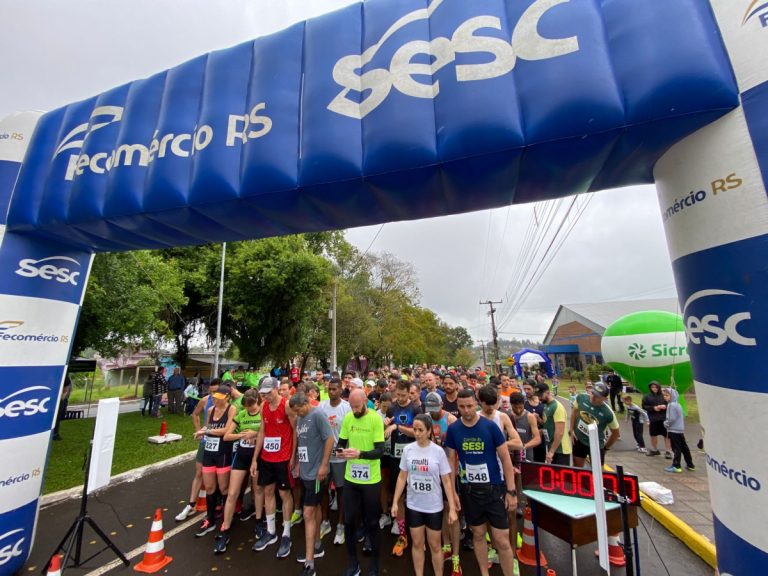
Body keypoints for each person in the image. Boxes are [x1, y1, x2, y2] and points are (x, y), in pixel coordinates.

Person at [445, 389, 518, 576]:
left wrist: (511, 491)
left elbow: (505, 459)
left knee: (501, 540)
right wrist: (452, 493)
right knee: (478, 535)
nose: (466, 410)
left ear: (476, 404)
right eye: (462, 407)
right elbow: (450, 463)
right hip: (470, 491)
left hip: (494, 489)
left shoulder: (490, 427)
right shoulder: (454, 430)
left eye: (470, 406)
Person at [392, 414, 458, 576]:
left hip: (433, 506)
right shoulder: (408, 450)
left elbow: (446, 481)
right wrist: (395, 502)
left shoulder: (438, 452)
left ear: (429, 431)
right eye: (415, 429)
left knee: (435, 545)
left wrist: (452, 508)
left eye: (421, 430)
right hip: (414, 505)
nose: (417, 433)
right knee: (417, 543)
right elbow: (402, 477)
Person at [336, 389, 386, 576]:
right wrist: (340, 452)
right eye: (352, 406)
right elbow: (341, 443)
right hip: (351, 478)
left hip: (371, 479)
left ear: (365, 401)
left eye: (357, 406)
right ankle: (353, 564)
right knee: (349, 521)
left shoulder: (375, 419)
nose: (355, 410)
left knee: (372, 522)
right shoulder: (348, 418)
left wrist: (360, 454)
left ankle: (374, 566)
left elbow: (380, 451)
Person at [251, 376, 297, 558]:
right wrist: (255, 458)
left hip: (284, 457)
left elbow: (295, 430)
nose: (266, 396)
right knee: (268, 491)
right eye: (263, 393)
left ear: (277, 389)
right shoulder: (263, 406)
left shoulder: (286, 406)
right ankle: (271, 532)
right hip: (267, 457)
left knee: (284, 494)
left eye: (268, 393)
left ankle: (286, 534)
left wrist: (293, 457)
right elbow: (262, 431)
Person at [290, 392, 335, 576]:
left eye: (298, 409)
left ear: (306, 403)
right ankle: (316, 545)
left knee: (308, 513)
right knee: (314, 510)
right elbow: (303, 442)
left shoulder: (317, 414)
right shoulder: (300, 418)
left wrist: (324, 465)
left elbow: (330, 439)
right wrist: (298, 462)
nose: (297, 413)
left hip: (317, 474)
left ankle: (310, 563)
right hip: (306, 472)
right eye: (294, 411)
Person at [214, 389, 263, 553]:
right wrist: (242, 435)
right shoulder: (241, 414)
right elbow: (227, 436)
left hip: (257, 456)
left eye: (251, 405)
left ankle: (259, 521)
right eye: (246, 406)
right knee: (232, 493)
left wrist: (255, 433)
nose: (249, 408)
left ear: (257, 401)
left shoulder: (262, 413)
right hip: (241, 455)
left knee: (257, 489)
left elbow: (268, 432)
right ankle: (225, 529)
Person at [423, 392, 462, 576]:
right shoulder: (427, 419)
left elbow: (456, 449)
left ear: (441, 405)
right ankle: (446, 545)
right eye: (430, 409)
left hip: (450, 471)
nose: (433, 412)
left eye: (435, 408)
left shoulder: (451, 420)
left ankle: (456, 556)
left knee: (452, 512)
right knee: (441, 510)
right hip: (433, 473)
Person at [194, 384, 237, 537]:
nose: (216, 400)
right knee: (210, 487)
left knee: (224, 487)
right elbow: (207, 426)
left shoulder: (231, 409)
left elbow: (226, 430)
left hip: (223, 452)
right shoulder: (211, 410)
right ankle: (210, 518)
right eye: (215, 398)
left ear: (227, 398)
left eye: (219, 398)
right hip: (209, 452)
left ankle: (227, 518)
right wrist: (201, 432)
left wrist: (207, 431)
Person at [385, 380, 420, 556]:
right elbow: (386, 430)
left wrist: (398, 426)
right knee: (398, 494)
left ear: (409, 393)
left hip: (413, 455)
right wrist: (386, 424)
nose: (400, 398)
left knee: (414, 493)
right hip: (395, 456)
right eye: (397, 395)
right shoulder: (392, 408)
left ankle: (417, 530)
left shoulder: (416, 409)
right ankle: (402, 532)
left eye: (403, 395)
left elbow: (419, 433)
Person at [319, 377, 352, 545]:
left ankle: (340, 524)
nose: (331, 392)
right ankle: (325, 521)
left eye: (334, 389)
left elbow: (350, 432)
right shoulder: (321, 406)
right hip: (324, 456)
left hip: (340, 457)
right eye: (329, 389)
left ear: (341, 390)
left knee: (341, 490)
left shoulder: (347, 408)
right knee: (323, 489)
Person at [569, 382, 620, 467]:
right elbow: (574, 412)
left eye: (597, 396)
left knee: (598, 471)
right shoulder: (581, 398)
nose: (593, 397)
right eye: (592, 393)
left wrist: (606, 448)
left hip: (596, 445)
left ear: (604, 398)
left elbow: (616, 433)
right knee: (577, 469)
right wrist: (571, 429)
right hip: (579, 440)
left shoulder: (608, 413)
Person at [537, 384, 572, 467]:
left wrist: (551, 451)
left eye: (540, 395)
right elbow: (548, 424)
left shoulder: (557, 407)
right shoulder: (546, 405)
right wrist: (539, 419)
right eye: (537, 395)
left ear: (547, 392)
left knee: (560, 474)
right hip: (552, 446)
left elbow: (560, 432)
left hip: (561, 449)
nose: (539, 398)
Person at [663, 388, 695, 473]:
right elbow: (683, 415)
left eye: (667, 395)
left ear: (673, 396)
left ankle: (676, 466)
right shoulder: (678, 404)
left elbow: (671, 418)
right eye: (664, 395)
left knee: (676, 448)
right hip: (680, 429)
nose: (665, 397)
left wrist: (666, 423)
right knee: (684, 448)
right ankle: (690, 465)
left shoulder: (671, 405)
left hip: (674, 430)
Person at [642, 381, 672, 458]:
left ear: (659, 387)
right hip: (653, 419)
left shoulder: (664, 395)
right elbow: (644, 406)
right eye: (652, 387)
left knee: (667, 435)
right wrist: (653, 408)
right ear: (650, 388)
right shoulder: (647, 396)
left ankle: (668, 451)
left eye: (656, 387)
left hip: (664, 419)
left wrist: (665, 406)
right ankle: (655, 450)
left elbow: (670, 403)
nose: (654, 389)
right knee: (653, 435)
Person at [53, 374, 72, 440]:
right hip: (50, 398)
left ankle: (55, 434)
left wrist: (62, 398)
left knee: (57, 417)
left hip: (58, 399)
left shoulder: (63, 374)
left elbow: (67, 385)